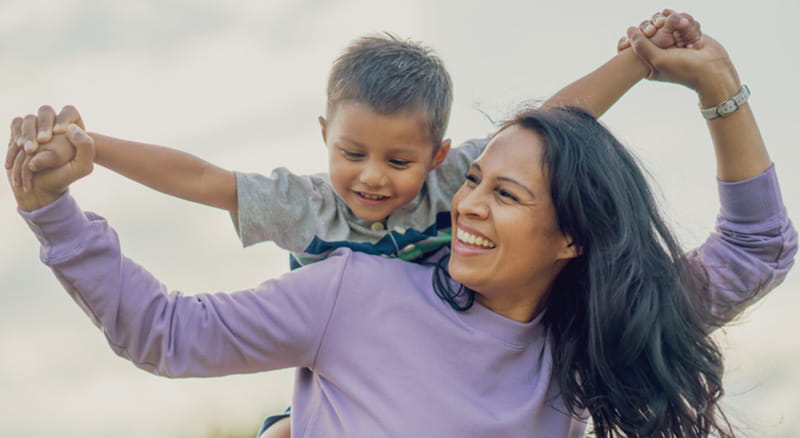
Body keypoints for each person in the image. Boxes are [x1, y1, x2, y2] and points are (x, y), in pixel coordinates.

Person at [9, 16, 796, 437]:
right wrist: (55, 211)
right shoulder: (352, 289)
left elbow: (756, 249)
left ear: (572, 239)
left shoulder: (586, 330)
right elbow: (167, 332)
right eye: (475, 183)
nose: (467, 203)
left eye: (504, 193)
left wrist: (716, 86)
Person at [6, 12, 697, 271]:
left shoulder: (456, 182)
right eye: (352, 153)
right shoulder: (305, 207)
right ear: (324, 137)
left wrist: (638, 60)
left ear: (436, 155)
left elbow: (550, 123)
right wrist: (95, 147)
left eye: (398, 161)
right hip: (343, 378)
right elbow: (201, 178)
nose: (371, 177)